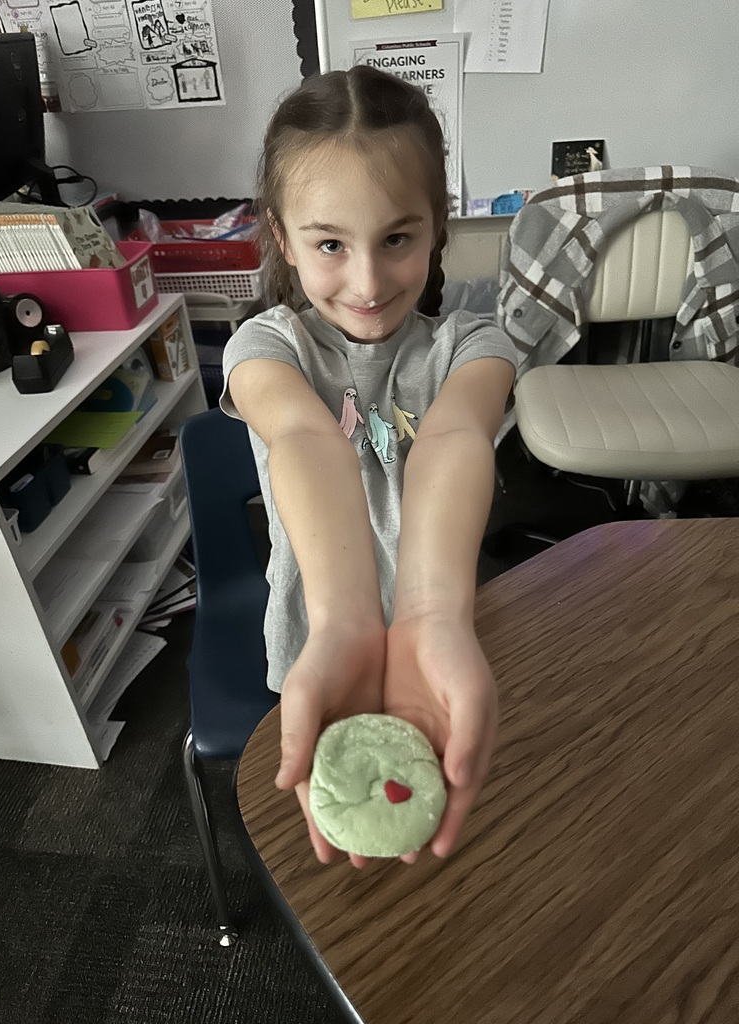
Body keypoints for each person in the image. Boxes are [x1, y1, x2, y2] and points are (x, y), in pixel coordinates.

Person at [220, 65, 517, 866]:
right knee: (337, 838)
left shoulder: (474, 347)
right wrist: (347, 619)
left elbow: (455, 440)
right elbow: (307, 441)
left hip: (437, 647)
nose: (367, 281)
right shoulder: (266, 347)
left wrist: (432, 612)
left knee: (449, 850)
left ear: (436, 224)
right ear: (282, 238)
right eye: (329, 244)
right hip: (323, 643)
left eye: (396, 238)